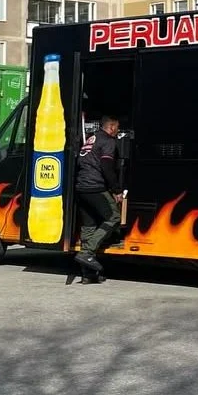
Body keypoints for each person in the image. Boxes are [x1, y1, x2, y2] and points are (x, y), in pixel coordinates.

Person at [73, 115, 124, 276]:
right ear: (112, 126)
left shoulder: (91, 139)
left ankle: (87, 274)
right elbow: (107, 166)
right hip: (95, 187)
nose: (118, 131)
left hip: (81, 188)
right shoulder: (108, 141)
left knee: (88, 226)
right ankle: (87, 253)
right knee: (113, 217)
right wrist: (116, 190)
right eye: (117, 127)